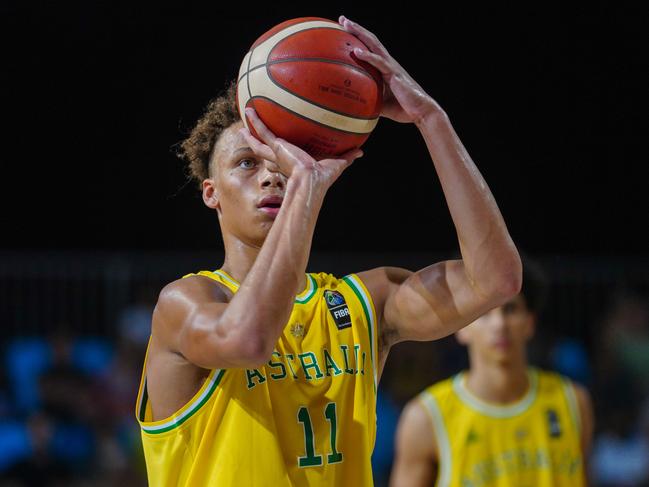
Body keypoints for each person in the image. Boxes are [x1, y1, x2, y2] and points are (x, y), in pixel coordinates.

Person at [134, 15, 522, 486]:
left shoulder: (363, 303)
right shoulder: (186, 303)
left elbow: (496, 280)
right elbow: (248, 340)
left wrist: (431, 120)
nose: (272, 175)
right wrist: (306, 188)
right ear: (211, 193)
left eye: (280, 161)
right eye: (247, 163)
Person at [390, 260, 594, 487]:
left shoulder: (573, 401)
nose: (499, 324)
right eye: (484, 313)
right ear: (461, 327)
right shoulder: (425, 418)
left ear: (530, 323)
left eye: (510, 309)